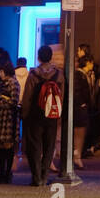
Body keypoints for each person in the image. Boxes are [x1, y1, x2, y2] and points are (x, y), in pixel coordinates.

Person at [20, 46, 64, 186]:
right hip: (52, 115)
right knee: (49, 145)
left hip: (36, 114)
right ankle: (45, 174)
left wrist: (24, 114)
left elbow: (27, 96)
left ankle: (36, 176)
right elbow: (62, 96)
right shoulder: (59, 74)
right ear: (50, 57)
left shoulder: (34, 74)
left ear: (38, 57)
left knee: (35, 145)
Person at [0, 63, 20, 183]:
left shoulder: (13, 83)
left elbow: (14, 101)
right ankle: (2, 173)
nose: (0, 74)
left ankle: (7, 173)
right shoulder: (2, 84)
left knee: (8, 146)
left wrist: (0, 103)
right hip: (0, 118)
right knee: (1, 147)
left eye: (1, 71)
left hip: (8, 118)